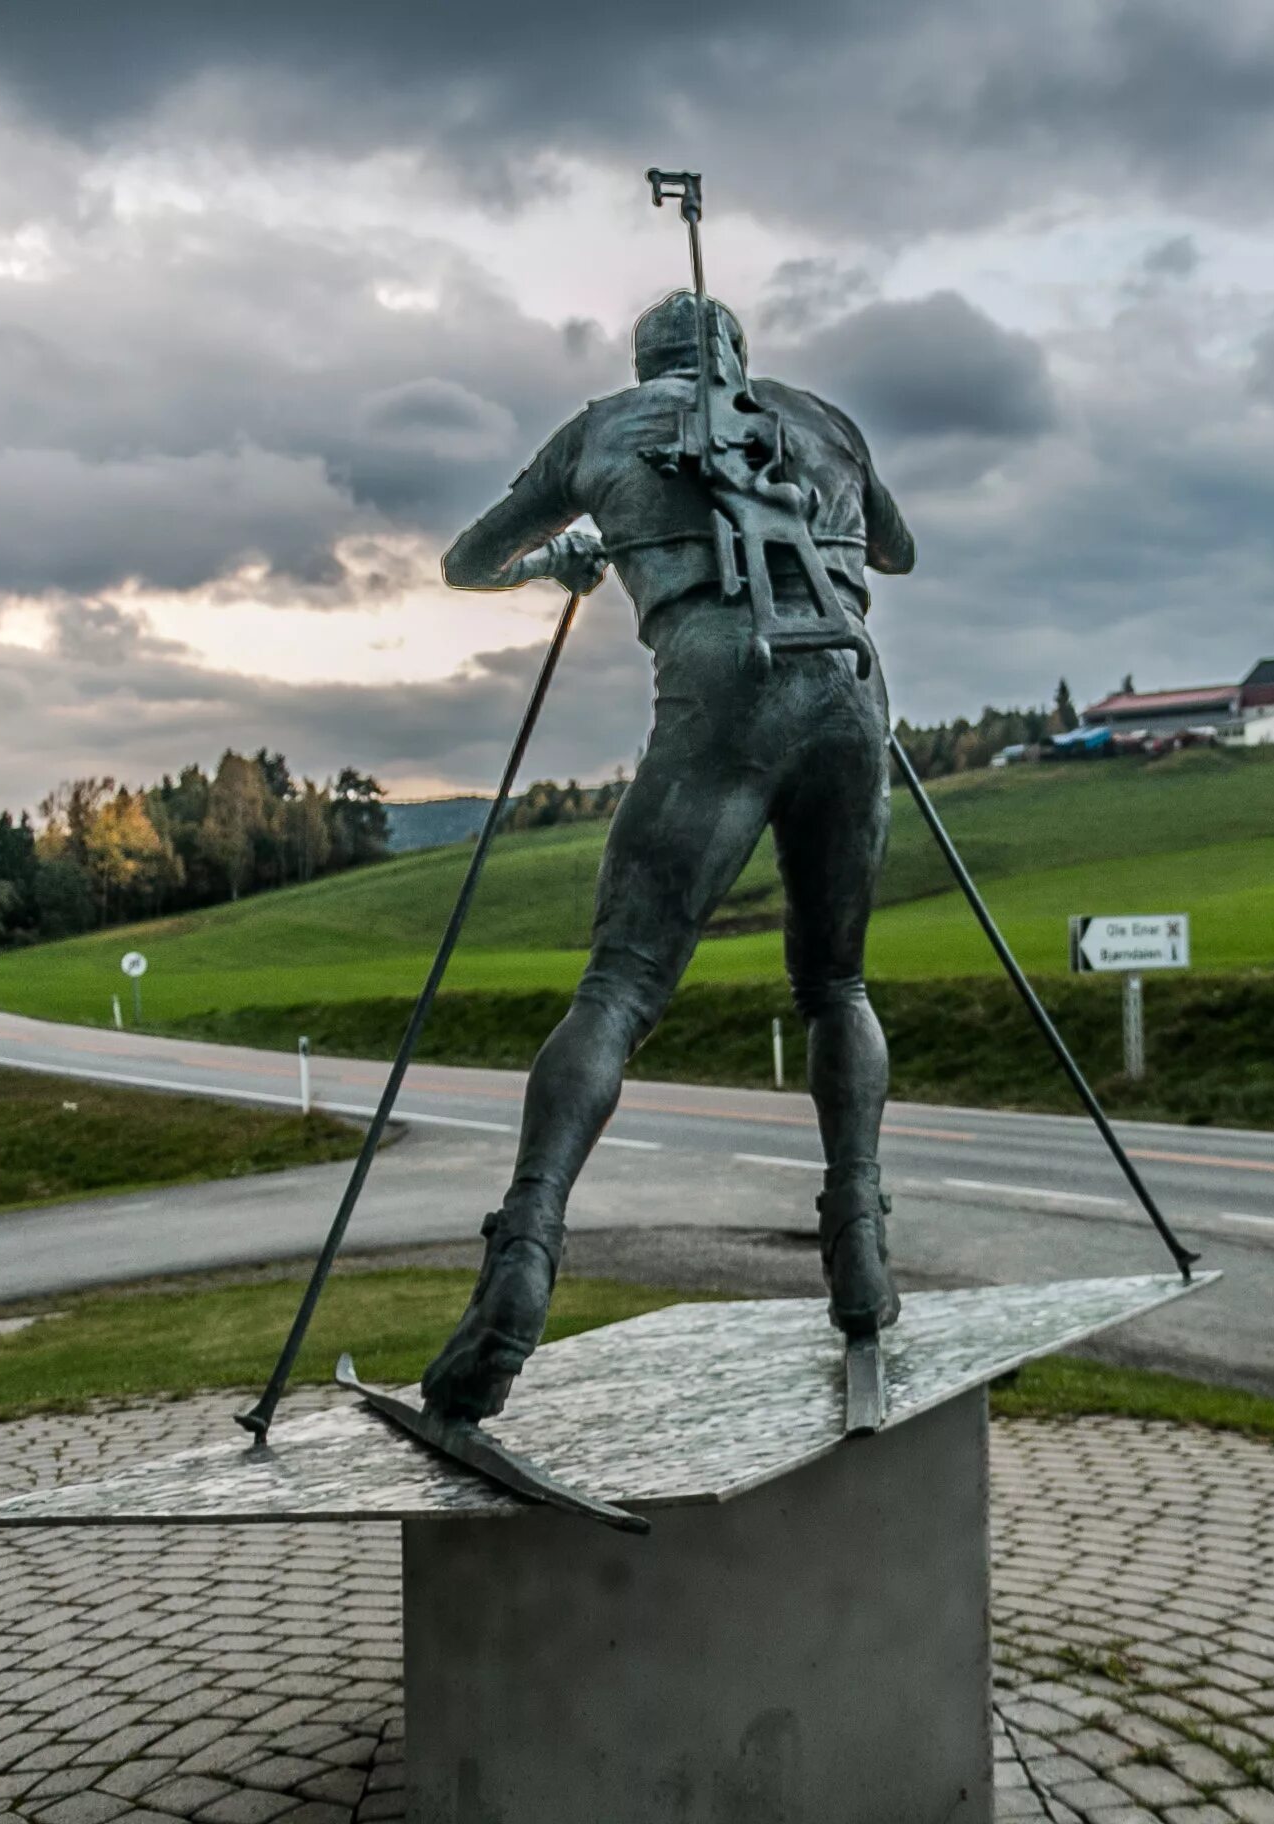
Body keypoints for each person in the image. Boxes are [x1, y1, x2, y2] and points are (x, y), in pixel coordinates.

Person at [418, 290, 915, 1426]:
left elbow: (466, 561)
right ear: (737, 354)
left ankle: (523, 1257)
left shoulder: (598, 430)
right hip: (848, 680)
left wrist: (572, 560)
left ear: (644, 362)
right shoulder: (819, 416)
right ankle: (862, 1255)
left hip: (718, 677)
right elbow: (900, 549)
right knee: (837, 983)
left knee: (620, 986)